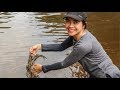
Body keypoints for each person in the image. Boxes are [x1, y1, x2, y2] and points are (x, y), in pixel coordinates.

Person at [29, 12, 120, 78]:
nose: (70, 26)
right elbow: (61, 47)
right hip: (96, 73)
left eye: (75, 22)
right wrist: (39, 46)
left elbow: (63, 63)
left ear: (83, 25)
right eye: (68, 21)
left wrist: (43, 68)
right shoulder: (76, 36)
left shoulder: (83, 45)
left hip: (106, 74)